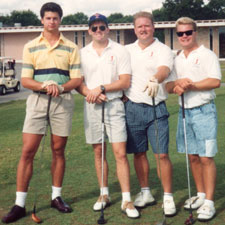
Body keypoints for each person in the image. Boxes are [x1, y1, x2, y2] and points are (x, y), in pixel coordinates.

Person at [2, 2, 82, 224]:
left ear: (60, 20)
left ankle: (56, 197)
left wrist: (61, 87)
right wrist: (45, 85)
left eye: (55, 18)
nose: (51, 22)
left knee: (58, 149)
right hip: (38, 101)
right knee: (28, 151)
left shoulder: (71, 47)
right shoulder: (30, 46)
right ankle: (19, 204)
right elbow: (26, 79)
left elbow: (76, 79)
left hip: (63, 101)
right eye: (48, 18)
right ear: (42, 20)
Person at [76, 13, 139, 219]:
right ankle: (104, 194)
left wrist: (101, 88)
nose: (98, 32)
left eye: (102, 28)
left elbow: (124, 81)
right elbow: (79, 82)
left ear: (108, 29)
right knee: (98, 152)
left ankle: (127, 199)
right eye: (94, 28)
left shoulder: (119, 50)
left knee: (120, 153)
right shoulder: (82, 53)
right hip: (92, 106)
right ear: (89, 31)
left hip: (114, 105)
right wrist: (91, 93)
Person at [124, 11, 176, 216]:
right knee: (138, 153)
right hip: (133, 107)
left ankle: (168, 196)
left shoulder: (163, 49)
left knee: (161, 153)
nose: (143, 29)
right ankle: (146, 192)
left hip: (157, 107)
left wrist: (155, 78)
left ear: (153, 27)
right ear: (134, 29)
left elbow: (164, 69)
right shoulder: (126, 50)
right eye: (139, 27)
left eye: (147, 26)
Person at [171, 17, 221, 222]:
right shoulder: (176, 58)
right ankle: (200, 194)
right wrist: (176, 85)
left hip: (204, 111)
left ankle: (209, 202)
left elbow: (215, 81)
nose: (184, 36)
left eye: (188, 32)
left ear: (195, 33)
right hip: (185, 112)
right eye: (180, 33)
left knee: (206, 157)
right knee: (192, 156)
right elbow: (169, 85)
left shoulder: (207, 54)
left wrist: (189, 85)